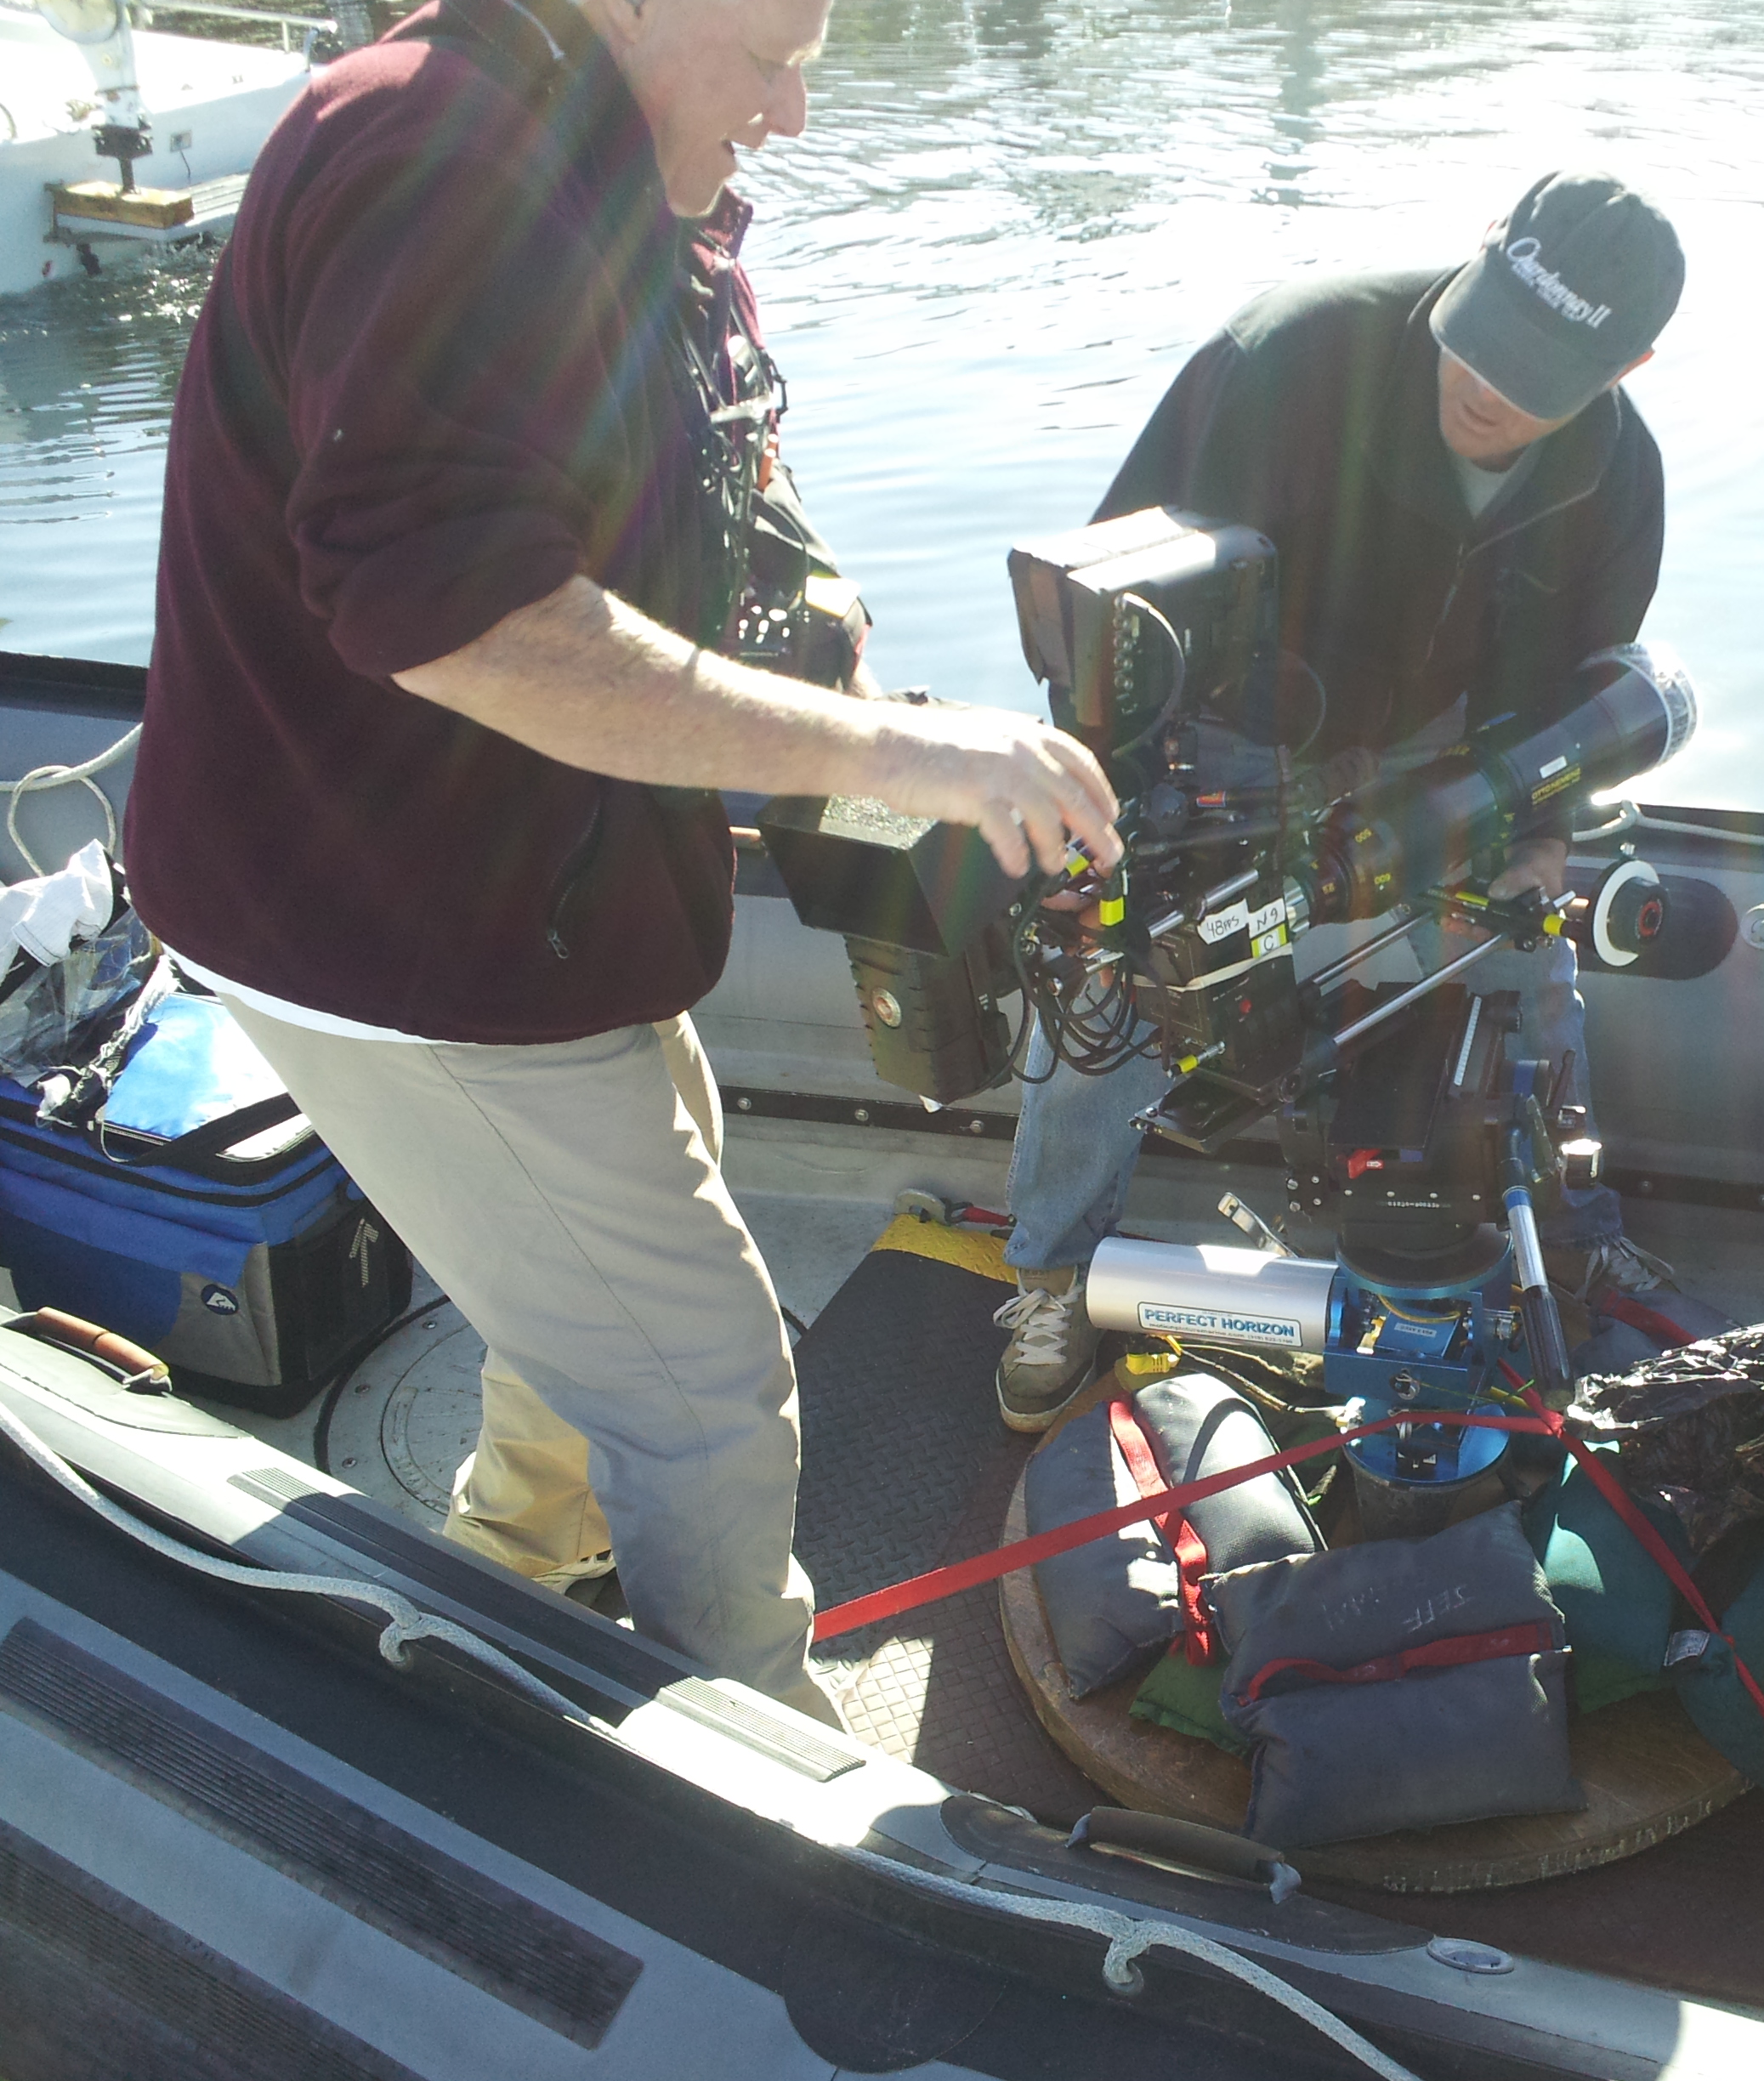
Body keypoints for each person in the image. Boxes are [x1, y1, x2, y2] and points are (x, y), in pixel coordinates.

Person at [123, 0, 1120, 1723]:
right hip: (391, 929)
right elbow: (465, 623)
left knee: (615, 1262)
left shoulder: (634, 183)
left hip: (548, 903)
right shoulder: (436, 154)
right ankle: (740, 1796)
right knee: (709, 1392)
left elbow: (717, 522)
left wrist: (896, 749)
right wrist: (899, 759)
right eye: (772, 58)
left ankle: (503, 1586)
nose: (796, 114)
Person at [994, 169, 1687, 1431]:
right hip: (1225, 742)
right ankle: (1048, 1271)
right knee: (1111, 979)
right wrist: (1125, 831)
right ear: (1480, 253)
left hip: (1443, 753)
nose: (1483, 385)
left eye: (1535, 374)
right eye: (1482, 340)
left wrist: (1533, 841)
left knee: (1532, 957)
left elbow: (1577, 705)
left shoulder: (1619, 480)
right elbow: (1101, 628)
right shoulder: (1280, 363)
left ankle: (1577, 1239)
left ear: (1628, 362)